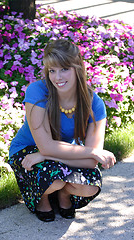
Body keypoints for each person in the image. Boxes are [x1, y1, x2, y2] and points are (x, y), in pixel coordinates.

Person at [8, 39, 116, 222]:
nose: (57, 77)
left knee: (91, 184)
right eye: (52, 70)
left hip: (57, 152)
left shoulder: (94, 103)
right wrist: (93, 153)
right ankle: (42, 198)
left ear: (77, 69)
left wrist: (46, 155)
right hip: (28, 151)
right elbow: (50, 146)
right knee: (54, 177)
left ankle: (64, 194)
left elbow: (91, 162)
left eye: (64, 69)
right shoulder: (37, 92)